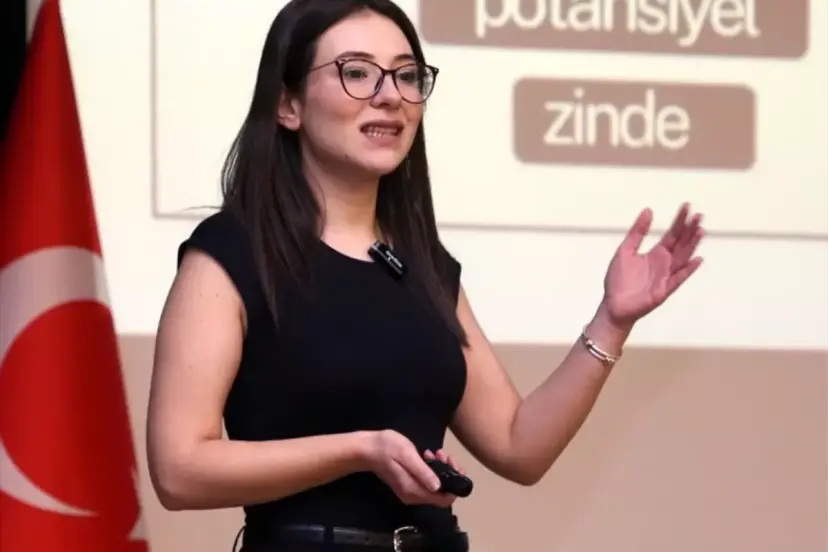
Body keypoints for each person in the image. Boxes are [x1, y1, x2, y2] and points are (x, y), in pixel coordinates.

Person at [145, 0, 705, 550]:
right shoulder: (232, 255)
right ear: (288, 105)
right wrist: (360, 450)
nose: (390, 96)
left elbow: (519, 447)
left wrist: (612, 321)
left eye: (407, 76)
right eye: (357, 73)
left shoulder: (425, 265)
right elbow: (178, 470)